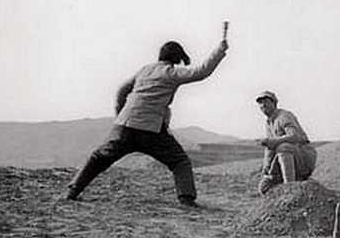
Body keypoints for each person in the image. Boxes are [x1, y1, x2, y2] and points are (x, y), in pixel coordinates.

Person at [64, 32, 229, 207]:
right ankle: (186, 199)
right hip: (151, 130)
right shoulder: (171, 72)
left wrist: (121, 115)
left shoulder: (145, 70)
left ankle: (72, 191)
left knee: (99, 158)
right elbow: (202, 71)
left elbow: (121, 91)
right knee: (179, 161)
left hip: (124, 126)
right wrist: (220, 50)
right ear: (177, 58)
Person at [255, 91, 317, 195]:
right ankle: (288, 188)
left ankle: (290, 187)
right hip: (285, 160)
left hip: (303, 156)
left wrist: (273, 141)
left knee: (283, 147)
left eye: (266, 101)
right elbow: (270, 148)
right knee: (264, 187)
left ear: (274, 103)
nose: (263, 105)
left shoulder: (283, 116)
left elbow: (294, 136)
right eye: (260, 103)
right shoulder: (269, 122)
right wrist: (266, 169)